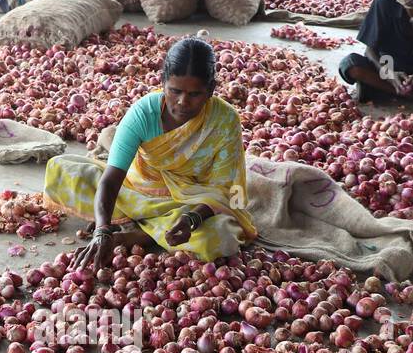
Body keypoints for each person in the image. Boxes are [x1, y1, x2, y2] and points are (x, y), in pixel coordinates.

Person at [44, 36, 257, 272]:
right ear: (162, 82)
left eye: (194, 94)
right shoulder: (143, 112)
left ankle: (138, 235)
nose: (182, 102)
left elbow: (225, 190)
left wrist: (191, 220)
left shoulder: (225, 120)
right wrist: (102, 232)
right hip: (137, 191)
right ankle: (147, 228)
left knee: (221, 236)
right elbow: (112, 179)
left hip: (191, 201)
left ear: (211, 90)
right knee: (61, 168)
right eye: (174, 91)